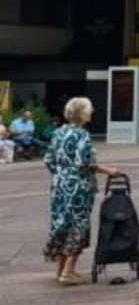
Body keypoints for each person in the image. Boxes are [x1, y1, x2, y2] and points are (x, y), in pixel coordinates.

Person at [43, 97, 120, 285]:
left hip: (59, 185)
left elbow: (48, 160)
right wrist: (109, 170)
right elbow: (85, 163)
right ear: (81, 113)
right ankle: (68, 271)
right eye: (89, 110)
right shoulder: (82, 134)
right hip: (78, 188)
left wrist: (62, 174)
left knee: (61, 223)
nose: (91, 112)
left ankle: (61, 270)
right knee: (78, 225)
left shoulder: (59, 132)